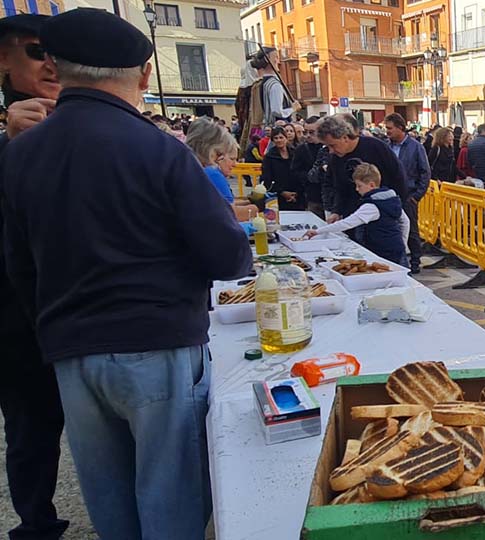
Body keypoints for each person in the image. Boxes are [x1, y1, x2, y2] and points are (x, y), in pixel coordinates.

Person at [0, 9, 253, 539]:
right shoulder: (158, 147)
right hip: (155, 342)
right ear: (142, 74)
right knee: (169, 492)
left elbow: (20, 266)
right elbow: (227, 256)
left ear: (56, 66)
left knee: (109, 493)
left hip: (72, 350)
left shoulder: (20, 154)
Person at [0, 14, 70, 540]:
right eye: (34, 51)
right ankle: (36, 525)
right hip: (17, 315)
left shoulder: (90, 115)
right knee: (32, 427)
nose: (50, 62)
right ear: (3, 60)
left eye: (58, 52)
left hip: (85, 304)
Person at [310, 163, 410, 266]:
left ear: (371, 185)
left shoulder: (371, 206)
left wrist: (318, 231)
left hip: (382, 251)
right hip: (396, 249)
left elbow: (347, 223)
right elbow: (405, 221)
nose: (357, 189)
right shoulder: (390, 198)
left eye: (359, 186)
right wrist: (402, 242)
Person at [317, 114, 407, 226]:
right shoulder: (335, 159)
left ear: (345, 137)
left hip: (382, 216)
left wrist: (396, 209)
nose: (331, 151)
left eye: (333, 145)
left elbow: (398, 177)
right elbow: (340, 189)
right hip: (353, 218)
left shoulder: (376, 147)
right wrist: (337, 211)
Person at [384, 113, 429, 273]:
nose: (387, 131)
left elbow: (425, 172)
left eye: (390, 128)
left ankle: (415, 261)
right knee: (392, 228)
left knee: (412, 230)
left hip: (408, 195)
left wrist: (417, 196)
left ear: (400, 128)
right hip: (389, 195)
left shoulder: (416, 147)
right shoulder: (386, 146)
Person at [261, 128, 304, 210]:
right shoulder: (269, 157)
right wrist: (282, 192)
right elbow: (266, 178)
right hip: (278, 196)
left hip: (297, 195)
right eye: (276, 138)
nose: (279, 140)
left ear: (286, 138)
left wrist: (297, 193)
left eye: (281, 137)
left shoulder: (295, 153)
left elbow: (300, 172)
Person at [292, 115, 325, 216]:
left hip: (331, 195)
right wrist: (310, 176)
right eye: (305, 132)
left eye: (312, 132)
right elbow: (295, 171)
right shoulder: (301, 149)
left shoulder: (328, 146)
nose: (308, 135)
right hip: (313, 195)